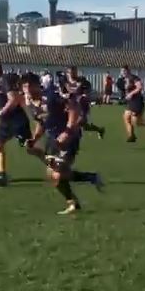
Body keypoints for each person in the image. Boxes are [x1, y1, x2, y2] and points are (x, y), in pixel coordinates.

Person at [26, 74, 105, 215]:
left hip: (70, 137)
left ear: (37, 85)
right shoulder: (31, 103)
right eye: (24, 87)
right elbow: (41, 123)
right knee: (54, 174)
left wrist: (67, 131)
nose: (27, 90)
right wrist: (34, 139)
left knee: (57, 174)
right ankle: (90, 179)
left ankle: (73, 203)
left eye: (30, 86)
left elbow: (73, 107)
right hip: (52, 139)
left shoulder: (50, 96)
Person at [0, 61, 35, 187]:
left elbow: (13, 99)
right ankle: (2, 175)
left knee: (30, 148)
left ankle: (54, 164)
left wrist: (0, 113)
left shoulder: (4, 81)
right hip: (6, 122)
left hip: (17, 121)